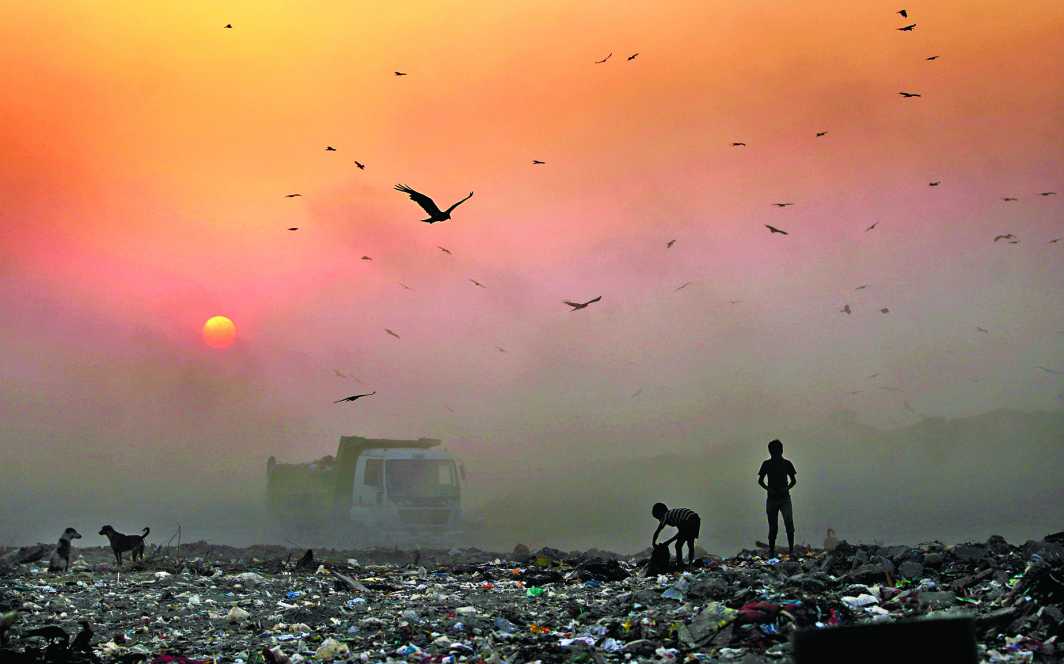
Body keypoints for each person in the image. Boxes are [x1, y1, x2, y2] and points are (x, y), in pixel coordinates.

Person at [758, 439, 797, 557]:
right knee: (773, 526)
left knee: (789, 524)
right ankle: (771, 550)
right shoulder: (767, 464)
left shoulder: (787, 464)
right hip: (773, 498)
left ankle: (791, 550)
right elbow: (760, 481)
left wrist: (786, 488)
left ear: (781, 451)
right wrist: (769, 489)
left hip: (784, 498)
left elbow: (793, 481)